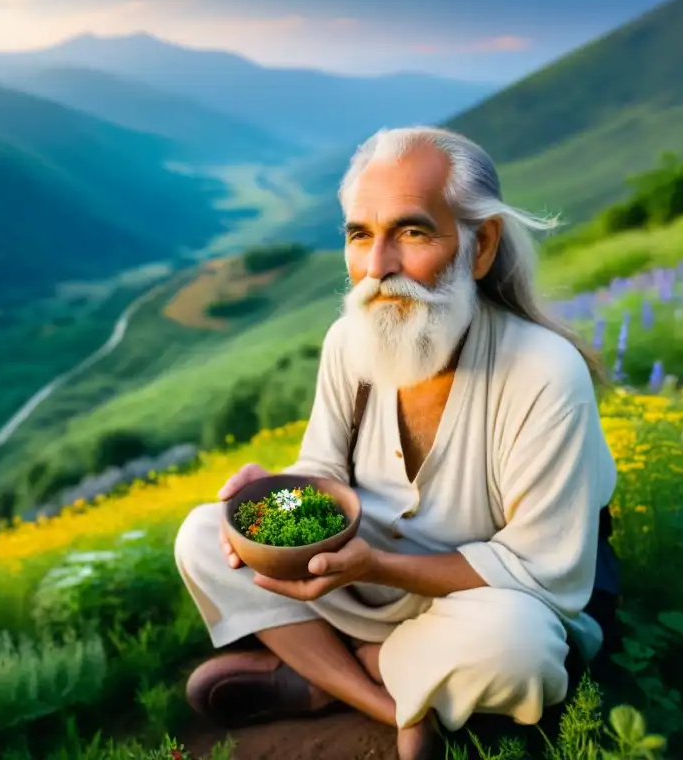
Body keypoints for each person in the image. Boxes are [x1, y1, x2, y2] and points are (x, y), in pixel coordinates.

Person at [173, 126, 620, 760]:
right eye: (360, 235)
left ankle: (339, 669)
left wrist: (375, 566)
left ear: (481, 244)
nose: (378, 267)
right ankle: (393, 698)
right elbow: (323, 467)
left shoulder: (542, 371)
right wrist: (278, 497)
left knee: (516, 648)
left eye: (411, 233)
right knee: (203, 534)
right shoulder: (348, 343)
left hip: (490, 599)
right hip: (366, 575)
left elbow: (542, 574)